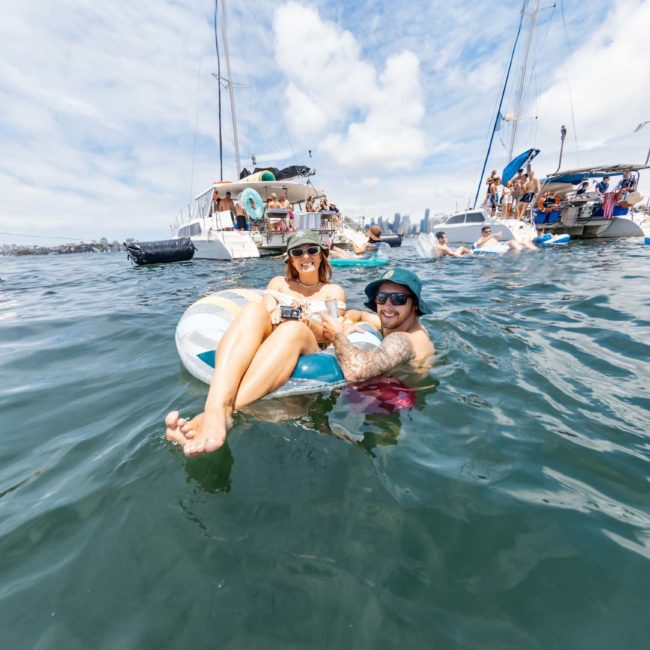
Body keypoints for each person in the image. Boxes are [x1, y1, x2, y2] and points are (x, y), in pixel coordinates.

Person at [165, 230, 346, 456]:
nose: (305, 256)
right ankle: (216, 412)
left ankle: (222, 411)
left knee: (293, 328)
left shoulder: (332, 291)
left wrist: (306, 321)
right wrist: (276, 313)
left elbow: (331, 335)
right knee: (253, 309)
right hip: (274, 340)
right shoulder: (280, 284)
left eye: (312, 250)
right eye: (297, 252)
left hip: (308, 343)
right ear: (290, 257)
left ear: (322, 255)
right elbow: (265, 312)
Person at [322, 268, 434, 382]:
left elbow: (355, 372)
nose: (387, 306)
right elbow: (357, 314)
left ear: (415, 304)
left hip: (396, 396)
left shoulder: (404, 340)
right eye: (381, 297)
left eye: (398, 299)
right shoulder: (395, 323)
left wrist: (337, 335)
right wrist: (347, 323)